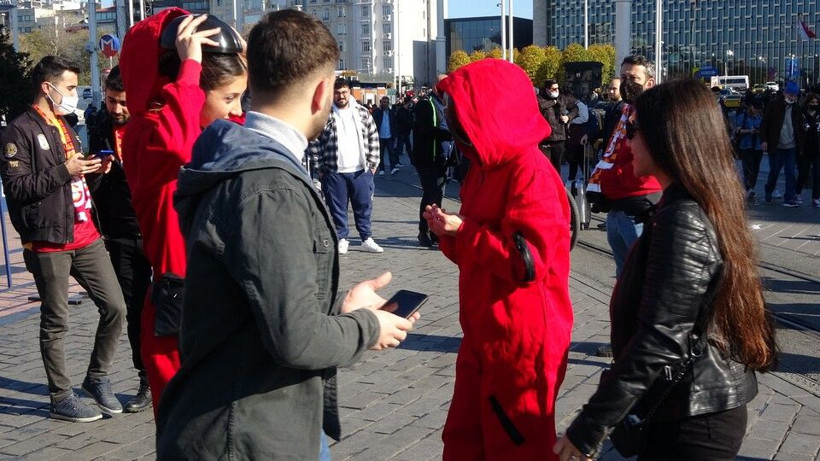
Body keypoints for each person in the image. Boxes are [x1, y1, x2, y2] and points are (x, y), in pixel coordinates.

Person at [155, 10, 418, 459]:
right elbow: (295, 338)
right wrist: (366, 326)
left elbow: (257, 297)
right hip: (246, 432)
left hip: (250, 419)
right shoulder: (268, 186)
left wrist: (339, 308)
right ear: (320, 92)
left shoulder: (249, 164)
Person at [554, 79, 777, 461]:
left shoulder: (684, 217)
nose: (626, 141)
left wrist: (590, 426)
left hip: (693, 417)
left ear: (669, 137)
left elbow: (661, 336)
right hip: (686, 405)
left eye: (634, 130)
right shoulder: (692, 202)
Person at [426, 59, 574, 460]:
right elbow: (478, 252)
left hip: (521, 340)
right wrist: (449, 234)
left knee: (515, 446)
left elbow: (526, 263)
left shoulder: (530, 172)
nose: (453, 120)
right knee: (463, 439)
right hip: (484, 330)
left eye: (459, 111)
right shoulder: (483, 166)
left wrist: (464, 232)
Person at [119, 10, 247, 412]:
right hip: (180, 305)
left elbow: (251, 130)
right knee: (190, 433)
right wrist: (190, 67)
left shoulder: (207, 128)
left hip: (224, 293)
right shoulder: (145, 134)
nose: (234, 110)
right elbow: (176, 142)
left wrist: (245, 64)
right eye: (228, 98)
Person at [0, 56, 126, 422]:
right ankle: (60, 396)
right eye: (70, 87)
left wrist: (91, 170)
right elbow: (18, 188)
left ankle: (97, 377)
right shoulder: (18, 131)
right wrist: (64, 169)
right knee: (56, 320)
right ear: (47, 87)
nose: (73, 94)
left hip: (85, 233)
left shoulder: (65, 124)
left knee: (115, 307)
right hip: (48, 240)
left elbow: (72, 179)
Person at [86, 66, 153, 412]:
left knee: (179, 302)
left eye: (123, 102)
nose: (116, 108)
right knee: (135, 310)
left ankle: (184, 372)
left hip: (159, 228)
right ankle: (146, 381)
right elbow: (92, 189)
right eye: (112, 101)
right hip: (123, 235)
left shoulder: (152, 124)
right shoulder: (98, 127)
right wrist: (96, 173)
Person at [587, 55, 662, 278]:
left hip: (638, 205)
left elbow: (644, 162)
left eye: (633, 77)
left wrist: (611, 182)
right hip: (617, 206)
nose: (627, 82)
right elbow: (613, 152)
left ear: (649, 83)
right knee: (625, 278)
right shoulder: (627, 110)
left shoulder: (653, 113)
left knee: (642, 278)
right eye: (624, 77)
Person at [308, 78, 384, 255]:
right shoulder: (324, 115)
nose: (341, 96)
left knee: (364, 205)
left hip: (360, 170)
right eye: (337, 92)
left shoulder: (362, 113)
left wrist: (372, 165)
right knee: (337, 207)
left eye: (344, 92)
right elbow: (314, 141)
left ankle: (366, 238)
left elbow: (373, 137)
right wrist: (320, 168)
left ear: (349, 92)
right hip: (334, 170)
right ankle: (342, 238)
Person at [412, 75, 452, 248]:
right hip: (426, 158)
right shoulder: (424, 104)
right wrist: (451, 134)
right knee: (431, 193)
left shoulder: (445, 104)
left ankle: (436, 231)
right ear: (436, 86)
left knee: (438, 195)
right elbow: (426, 130)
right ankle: (423, 231)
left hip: (442, 158)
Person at [760, 81, 803, 207]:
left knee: (790, 172)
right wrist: (764, 140)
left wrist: (800, 146)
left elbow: (799, 128)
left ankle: (789, 198)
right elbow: (764, 124)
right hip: (776, 146)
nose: (792, 98)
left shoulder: (796, 108)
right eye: (790, 95)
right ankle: (769, 190)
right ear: (785, 93)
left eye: (795, 96)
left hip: (791, 146)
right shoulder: (774, 105)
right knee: (774, 172)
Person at [538, 79, 579, 172]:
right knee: (544, 167)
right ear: (547, 89)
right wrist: (554, 102)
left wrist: (568, 117)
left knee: (557, 167)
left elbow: (575, 109)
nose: (556, 91)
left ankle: (557, 185)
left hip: (559, 137)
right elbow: (538, 106)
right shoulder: (540, 98)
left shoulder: (563, 98)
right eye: (553, 89)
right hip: (545, 139)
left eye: (557, 88)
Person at [735, 98, 764, 201]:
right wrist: (749, 131)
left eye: (758, 109)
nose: (756, 111)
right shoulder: (743, 117)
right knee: (748, 169)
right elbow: (737, 130)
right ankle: (748, 188)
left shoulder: (761, 117)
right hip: (746, 145)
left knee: (756, 169)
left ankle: (751, 188)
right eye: (755, 108)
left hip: (758, 146)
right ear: (750, 107)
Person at [797, 93, 820, 207]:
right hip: (805, 149)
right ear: (808, 103)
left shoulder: (819, 115)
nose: (814, 104)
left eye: (816, 102)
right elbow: (798, 131)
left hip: (817, 149)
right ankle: (798, 193)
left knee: (817, 175)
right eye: (812, 102)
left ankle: (815, 197)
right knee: (803, 173)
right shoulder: (802, 115)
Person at [373, 95, 399, 175]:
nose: (385, 104)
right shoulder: (377, 111)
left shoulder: (391, 112)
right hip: (380, 137)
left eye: (387, 102)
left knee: (392, 153)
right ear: (381, 103)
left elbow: (394, 124)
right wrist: (380, 110)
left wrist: (395, 136)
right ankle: (382, 169)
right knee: (380, 154)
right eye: (384, 102)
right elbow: (374, 119)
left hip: (389, 136)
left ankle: (392, 168)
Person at [395, 97, 414, 162]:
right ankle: (395, 161)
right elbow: (403, 121)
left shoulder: (406, 110)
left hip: (405, 131)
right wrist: (411, 125)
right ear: (408, 103)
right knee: (400, 147)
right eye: (410, 103)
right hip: (402, 131)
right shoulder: (402, 111)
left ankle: (412, 161)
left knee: (407, 147)